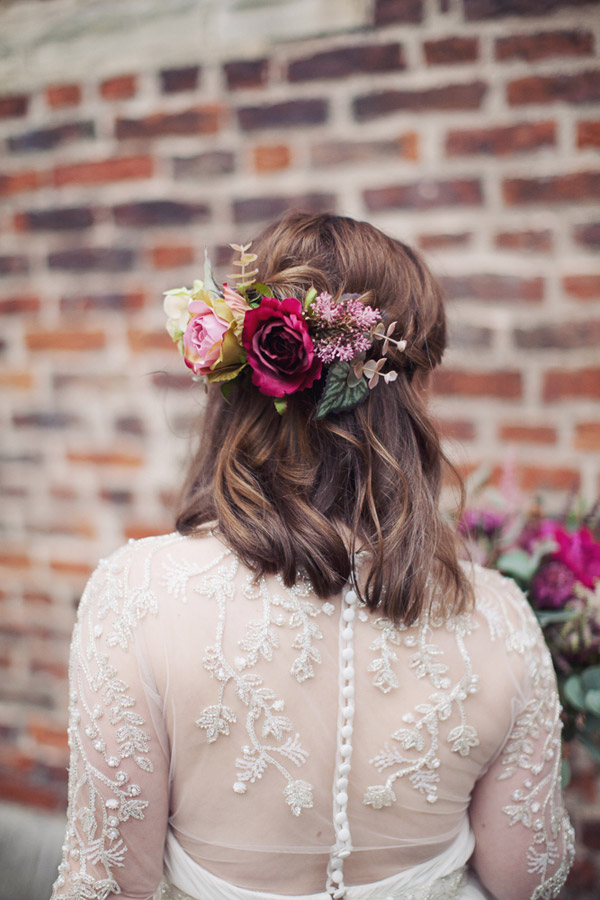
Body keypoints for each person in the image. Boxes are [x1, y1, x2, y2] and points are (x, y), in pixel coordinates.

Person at [50, 213, 574, 900]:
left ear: (239, 385)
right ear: (409, 399)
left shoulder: (134, 599)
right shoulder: (500, 620)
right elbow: (528, 880)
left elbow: (107, 886)